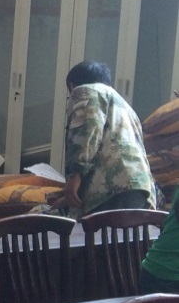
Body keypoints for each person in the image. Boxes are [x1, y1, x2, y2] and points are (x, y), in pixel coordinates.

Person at [47, 60, 155, 217]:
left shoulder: (84, 91)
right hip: (139, 187)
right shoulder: (124, 107)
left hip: (112, 186)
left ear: (72, 85)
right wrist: (67, 199)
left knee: (95, 233)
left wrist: (75, 176)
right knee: (119, 234)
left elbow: (87, 132)